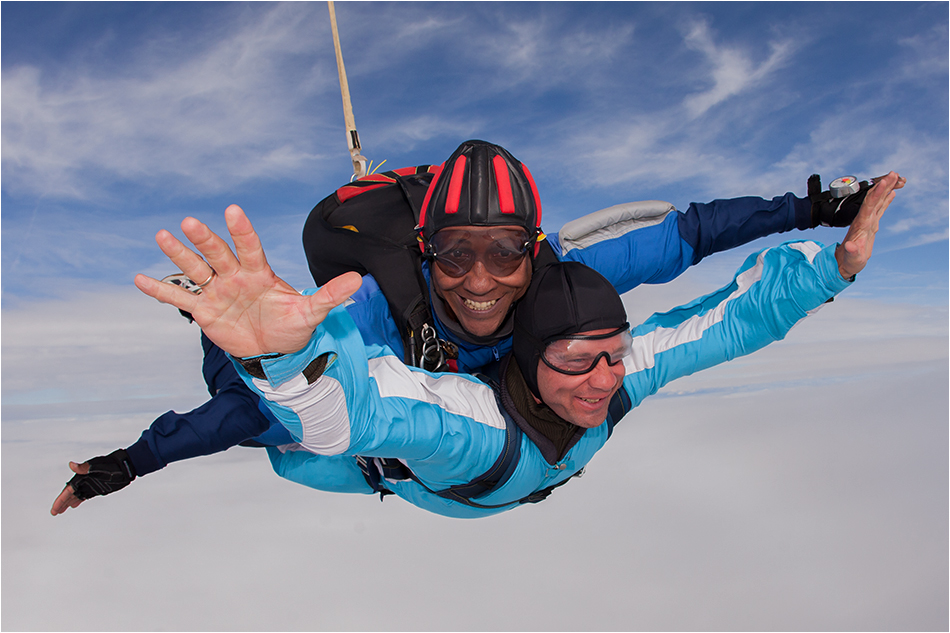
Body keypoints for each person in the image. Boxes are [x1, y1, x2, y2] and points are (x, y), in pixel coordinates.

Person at [50, 139, 902, 514]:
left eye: (503, 252)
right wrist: (130, 463)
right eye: (457, 256)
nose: (483, 282)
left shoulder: (568, 288)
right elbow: (288, 412)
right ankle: (218, 325)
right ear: (425, 254)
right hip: (387, 451)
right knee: (276, 429)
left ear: (534, 248)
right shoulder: (383, 313)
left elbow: (690, 236)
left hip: (482, 441)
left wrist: (818, 213)